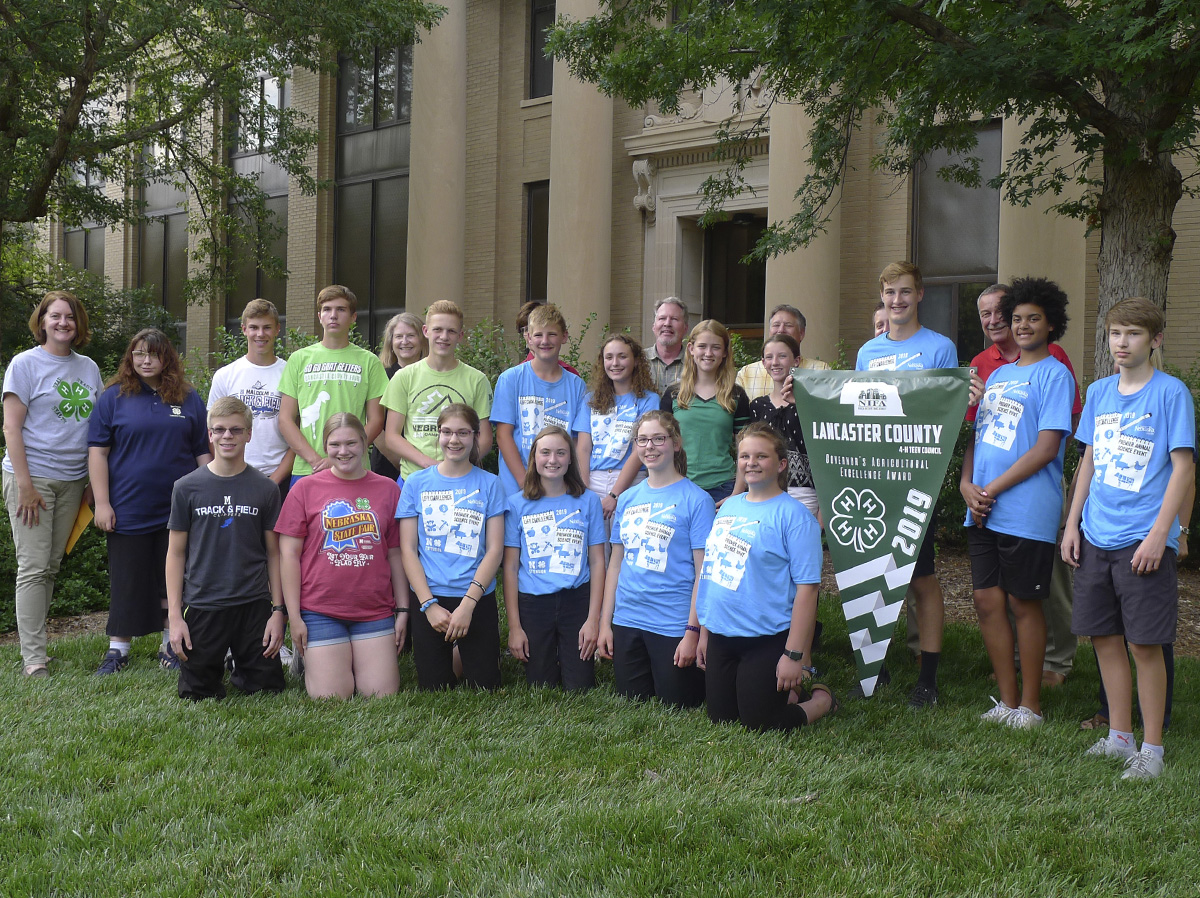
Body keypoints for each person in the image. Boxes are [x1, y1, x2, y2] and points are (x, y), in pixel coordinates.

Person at [1062, 297, 1195, 781]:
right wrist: (1072, 524)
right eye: (1116, 333)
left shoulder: (1171, 393)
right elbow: (1090, 461)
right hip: (1096, 533)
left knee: (1145, 645)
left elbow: (1183, 467)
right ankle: (1120, 737)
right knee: (1103, 637)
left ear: (1154, 340)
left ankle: (1152, 750)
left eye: (1134, 334)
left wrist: (1165, 533)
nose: (1122, 342)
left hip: (1144, 538)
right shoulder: (1098, 392)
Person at [960, 278, 1074, 728]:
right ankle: (1006, 701)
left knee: (1025, 604)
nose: (1023, 326)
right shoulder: (997, 375)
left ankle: (1030, 706)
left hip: (1026, 508)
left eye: (1033, 319)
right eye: (1017, 318)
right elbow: (976, 436)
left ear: (1050, 325)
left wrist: (993, 488)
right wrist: (967, 485)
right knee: (987, 601)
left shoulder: (1054, 374)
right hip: (982, 507)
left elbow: (1047, 447)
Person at [854, 261, 958, 708]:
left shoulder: (939, 347)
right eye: (890, 293)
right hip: (873, 476)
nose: (897, 300)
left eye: (905, 292)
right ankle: (875, 665)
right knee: (875, 572)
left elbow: (942, 412)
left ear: (920, 295)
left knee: (921, 576)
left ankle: (928, 678)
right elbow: (856, 412)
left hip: (917, 476)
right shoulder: (867, 353)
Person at [695, 422, 836, 731]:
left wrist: (794, 655)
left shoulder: (796, 517)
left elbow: (808, 590)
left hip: (766, 637)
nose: (751, 463)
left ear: (781, 464)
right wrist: (704, 632)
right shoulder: (728, 507)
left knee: (761, 722)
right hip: (721, 634)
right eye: (745, 456)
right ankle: (784, 692)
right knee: (721, 718)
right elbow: (712, 575)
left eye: (761, 456)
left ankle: (821, 700)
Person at [88, 328, 212, 674]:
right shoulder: (113, 397)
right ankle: (118, 650)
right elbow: (97, 452)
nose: (146, 360)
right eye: (139, 353)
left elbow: (203, 451)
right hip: (128, 505)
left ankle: (171, 644)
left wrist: (208, 499)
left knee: (172, 577)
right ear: (130, 357)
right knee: (127, 577)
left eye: (153, 354)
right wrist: (103, 503)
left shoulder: (187, 398)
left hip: (178, 508)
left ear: (166, 358)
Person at [2, 291, 103, 678]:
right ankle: (33, 660)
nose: (63, 323)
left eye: (70, 317)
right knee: (32, 566)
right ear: (41, 321)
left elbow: (93, 430)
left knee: (51, 564)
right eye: (55, 316)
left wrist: (92, 484)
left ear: (78, 324)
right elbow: (12, 427)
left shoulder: (89, 368)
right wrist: (25, 485)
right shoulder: (24, 365)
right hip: (32, 477)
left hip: (73, 480)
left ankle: (37, 647)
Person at [275, 413, 406, 699]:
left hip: (374, 609)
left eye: (351, 443)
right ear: (325, 446)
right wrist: (294, 617)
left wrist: (403, 611)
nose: (343, 451)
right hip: (320, 609)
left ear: (365, 443)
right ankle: (311, 659)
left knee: (380, 694)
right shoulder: (304, 489)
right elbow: (288, 555)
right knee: (332, 697)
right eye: (335, 444)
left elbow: (396, 554)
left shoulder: (388, 488)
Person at [165, 397, 287, 700]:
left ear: (249, 433)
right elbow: (176, 553)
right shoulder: (186, 487)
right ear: (209, 434)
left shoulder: (266, 488)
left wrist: (277, 611)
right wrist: (176, 618)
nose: (227, 436)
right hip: (205, 602)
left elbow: (275, 553)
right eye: (219, 430)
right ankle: (224, 656)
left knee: (266, 688)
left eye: (236, 430)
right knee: (197, 692)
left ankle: (241, 659)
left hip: (253, 603)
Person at [598, 410, 713, 707]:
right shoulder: (627, 498)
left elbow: (704, 573)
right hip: (629, 618)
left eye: (658, 439)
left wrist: (693, 632)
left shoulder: (697, 500)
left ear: (675, 443)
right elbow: (616, 564)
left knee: (676, 704)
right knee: (632, 700)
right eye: (643, 440)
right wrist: (605, 623)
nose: (650, 446)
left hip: (673, 622)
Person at [397, 404, 506, 690]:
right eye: (446, 432)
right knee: (434, 687)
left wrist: (468, 605)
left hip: (475, 596)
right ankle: (455, 646)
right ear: (438, 434)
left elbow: (495, 549)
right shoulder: (416, 483)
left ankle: (464, 647)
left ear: (476, 436)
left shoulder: (491, 484)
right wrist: (428, 605)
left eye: (462, 433)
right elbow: (408, 549)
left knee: (484, 686)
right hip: (430, 597)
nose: (454, 440)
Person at [503, 426, 605, 690]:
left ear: (570, 458)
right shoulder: (516, 504)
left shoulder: (588, 501)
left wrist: (593, 621)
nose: (553, 460)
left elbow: (597, 562)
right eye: (545, 452)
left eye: (561, 453)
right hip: (534, 602)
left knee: (580, 686)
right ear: (534, 458)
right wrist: (515, 627)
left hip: (576, 600)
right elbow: (511, 567)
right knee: (540, 685)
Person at [277, 285, 388, 484]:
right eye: (327, 309)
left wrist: (336, 459)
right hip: (307, 469)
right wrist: (317, 461)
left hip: (354, 469)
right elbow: (285, 419)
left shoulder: (369, 362)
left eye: (341, 309)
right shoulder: (299, 359)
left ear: (353, 317)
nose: (333, 315)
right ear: (319, 316)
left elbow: (376, 420)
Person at [381, 300, 493, 486]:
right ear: (426, 331)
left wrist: (455, 466)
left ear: (461, 336)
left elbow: (486, 438)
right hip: (414, 479)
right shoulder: (404, 376)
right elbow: (392, 437)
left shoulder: (477, 379)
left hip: (461, 479)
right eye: (438, 330)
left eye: (451, 331)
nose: (444, 336)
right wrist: (430, 464)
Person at [493, 302, 587, 497]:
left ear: (564, 337)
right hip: (517, 489)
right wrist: (524, 481)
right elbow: (503, 435)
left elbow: (577, 441)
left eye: (552, 334)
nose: (545, 341)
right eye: (538, 335)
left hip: (561, 488)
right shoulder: (510, 379)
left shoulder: (577, 385)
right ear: (528, 338)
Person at [208, 299, 295, 501]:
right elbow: (212, 431)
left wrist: (274, 480)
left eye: (267, 327)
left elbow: (297, 433)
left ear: (277, 329)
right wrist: (225, 472)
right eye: (254, 327)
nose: (260, 334)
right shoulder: (225, 375)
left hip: (278, 478)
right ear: (244, 329)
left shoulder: (290, 373)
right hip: (233, 476)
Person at [574, 334, 660, 532]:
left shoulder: (649, 400)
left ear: (636, 361)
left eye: (622, 356)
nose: (615, 363)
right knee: (596, 553)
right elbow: (584, 448)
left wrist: (614, 495)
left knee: (625, 548)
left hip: (631, 481)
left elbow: (641, 449)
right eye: (609, 357)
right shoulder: (591, 400)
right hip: (592, 481)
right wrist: (585, 491)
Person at [660, 320, 751, 505]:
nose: (708, 353)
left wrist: (736, 494)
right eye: (702, 346)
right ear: (691, 349)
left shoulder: (736, 395)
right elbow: (660, 444)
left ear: (725, 352)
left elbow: (746, 448)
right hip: (678, 486)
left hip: (723, 487)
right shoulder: (673, 394)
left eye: (716, 347)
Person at [748, 334, 818, 519]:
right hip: (763, 488)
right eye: (769, 357)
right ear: (763, 362)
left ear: (796, 361)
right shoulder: (757, 407)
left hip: (802, 492)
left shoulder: (811, 405)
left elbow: (822, 452)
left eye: (782, 356)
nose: (775, 362)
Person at [370, 311, 427, 481]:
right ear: (391, 342)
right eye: (399, 336)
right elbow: (375, 426)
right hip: (388, 464)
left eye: (411, 336)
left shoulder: (433, 376)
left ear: (423, 338)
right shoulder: (381, 376)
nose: (404, 342)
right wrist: (402, 464)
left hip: (427, 464)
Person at [735, 304, 831, 400]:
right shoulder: (747, 373)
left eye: (788, 325)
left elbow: (826, 410)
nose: (781, 330)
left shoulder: (820, 370)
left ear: (801, 333)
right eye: (776, 325)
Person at [516, 300, 580, 375]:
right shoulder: (515, 377)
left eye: (551, 333)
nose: (544, 341)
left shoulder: (571, 375)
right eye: (526, 329)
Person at [646, 297, 689, 394]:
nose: (667, 324)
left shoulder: (695, 363)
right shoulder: (637, 360)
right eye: (662, 318)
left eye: (674, 319)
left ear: (685, 328)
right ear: (654, 326)